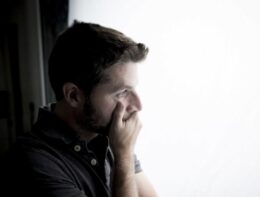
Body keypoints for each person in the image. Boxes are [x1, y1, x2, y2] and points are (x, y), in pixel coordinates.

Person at [2, 21, 157, 197]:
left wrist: (123, 154)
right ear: (74, 96)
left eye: (134, 89)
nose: (138, 105)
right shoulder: (32, 163)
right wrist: (124, 156)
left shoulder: (108, 136)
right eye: (122, 92)